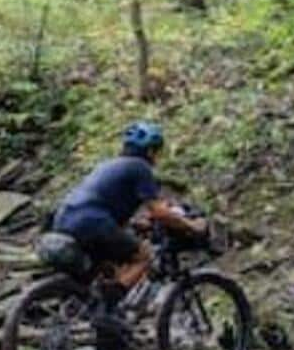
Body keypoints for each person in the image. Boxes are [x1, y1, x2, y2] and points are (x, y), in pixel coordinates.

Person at [51, 121, 206, 300]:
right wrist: (192, 226)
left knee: (110, 266)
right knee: (143, 257)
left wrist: (136, 223)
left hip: (64, 219)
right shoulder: (140, 167)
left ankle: (95, 307)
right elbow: (159, 212)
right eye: (157, 152)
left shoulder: (109, 165)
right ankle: (108, 309)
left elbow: (103, 200)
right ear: (150, 151)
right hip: (93, 222)